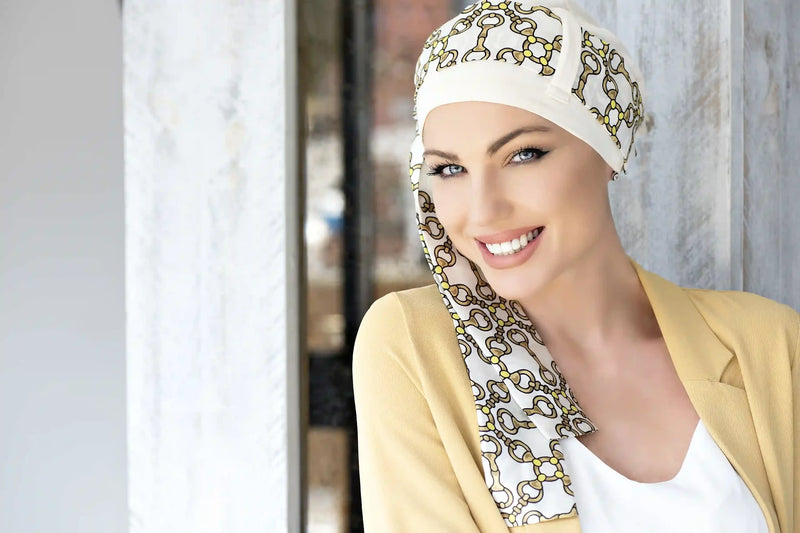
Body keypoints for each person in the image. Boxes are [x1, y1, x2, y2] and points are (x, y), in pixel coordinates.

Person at [352, 1, 799, 531]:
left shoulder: (767, 346)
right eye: (449, 169)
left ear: (608, 150)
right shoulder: (413, 346)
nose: (484, 210)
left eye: (523, 155)